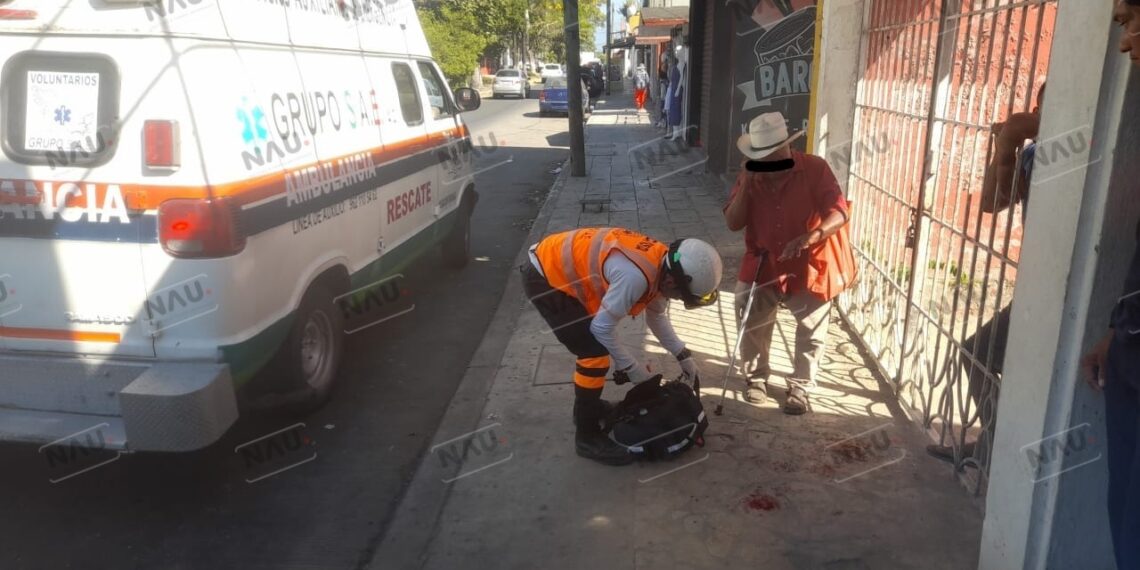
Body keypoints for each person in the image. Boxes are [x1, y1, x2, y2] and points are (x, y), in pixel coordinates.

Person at [520, 228, 724, 465]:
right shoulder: (635, 277)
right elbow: (601, 328)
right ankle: (586, 437)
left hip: (555, 263)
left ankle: (588, 409)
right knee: (593, 353)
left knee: (594, 346)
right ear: (672, 281)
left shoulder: (663, 264)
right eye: (681, 296)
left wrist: (682, 355)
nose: (678, 300)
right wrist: (631, 367)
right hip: (545, 277)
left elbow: (656, 316)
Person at [926, 81, 1046, 464]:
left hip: (1060, 287)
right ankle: (994, 445)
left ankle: (1002, 452)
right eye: (1041, 109)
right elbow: (994, 202)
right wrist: (1005, 147)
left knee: (1017, 369)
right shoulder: (1032, 154)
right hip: (1036, 283)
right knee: (977, 353)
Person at [723, 111, 851, 415]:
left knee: (813, 326)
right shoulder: (751, 175)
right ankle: (756, 377)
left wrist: (813, 235)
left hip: (809, 260)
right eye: (762, 158)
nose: (770, 164)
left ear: (786, 148)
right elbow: (733, 222)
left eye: (773, 156)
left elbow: (840, 213)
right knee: (747, 307)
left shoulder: (815, 168)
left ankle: (801, 386)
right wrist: (747, 184)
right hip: (764, 259)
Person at [1081, 3, 1140, 568]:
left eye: (1134, 18)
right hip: (1130, 359)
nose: (1126, 43)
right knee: (1124, 514)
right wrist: (1118, 333)